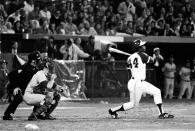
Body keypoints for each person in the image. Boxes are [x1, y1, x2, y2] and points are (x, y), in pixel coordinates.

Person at [108, 39, 174, 119]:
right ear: (138, 47)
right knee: (133, 104)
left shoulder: (129, 58)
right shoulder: (143, 55)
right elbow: (155, 62)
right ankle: (112, 110)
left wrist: (155, 58)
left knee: (156, 92)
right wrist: (156, 56)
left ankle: (161, 113)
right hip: (137, 83)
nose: (144, 46)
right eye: (142, 46)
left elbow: (131, 70)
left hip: (134, 82)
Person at [2, 51, 41, 120]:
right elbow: (11, 75)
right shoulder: (24, 68)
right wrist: (15, 87)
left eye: (37, 60)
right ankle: (7, 114)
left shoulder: (35, 69)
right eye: (35, 60)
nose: (37, 62)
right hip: (14, 87)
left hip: (24, 88)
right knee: (19, 97)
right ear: (32, 60)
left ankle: (35, 114)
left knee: (39, 94)